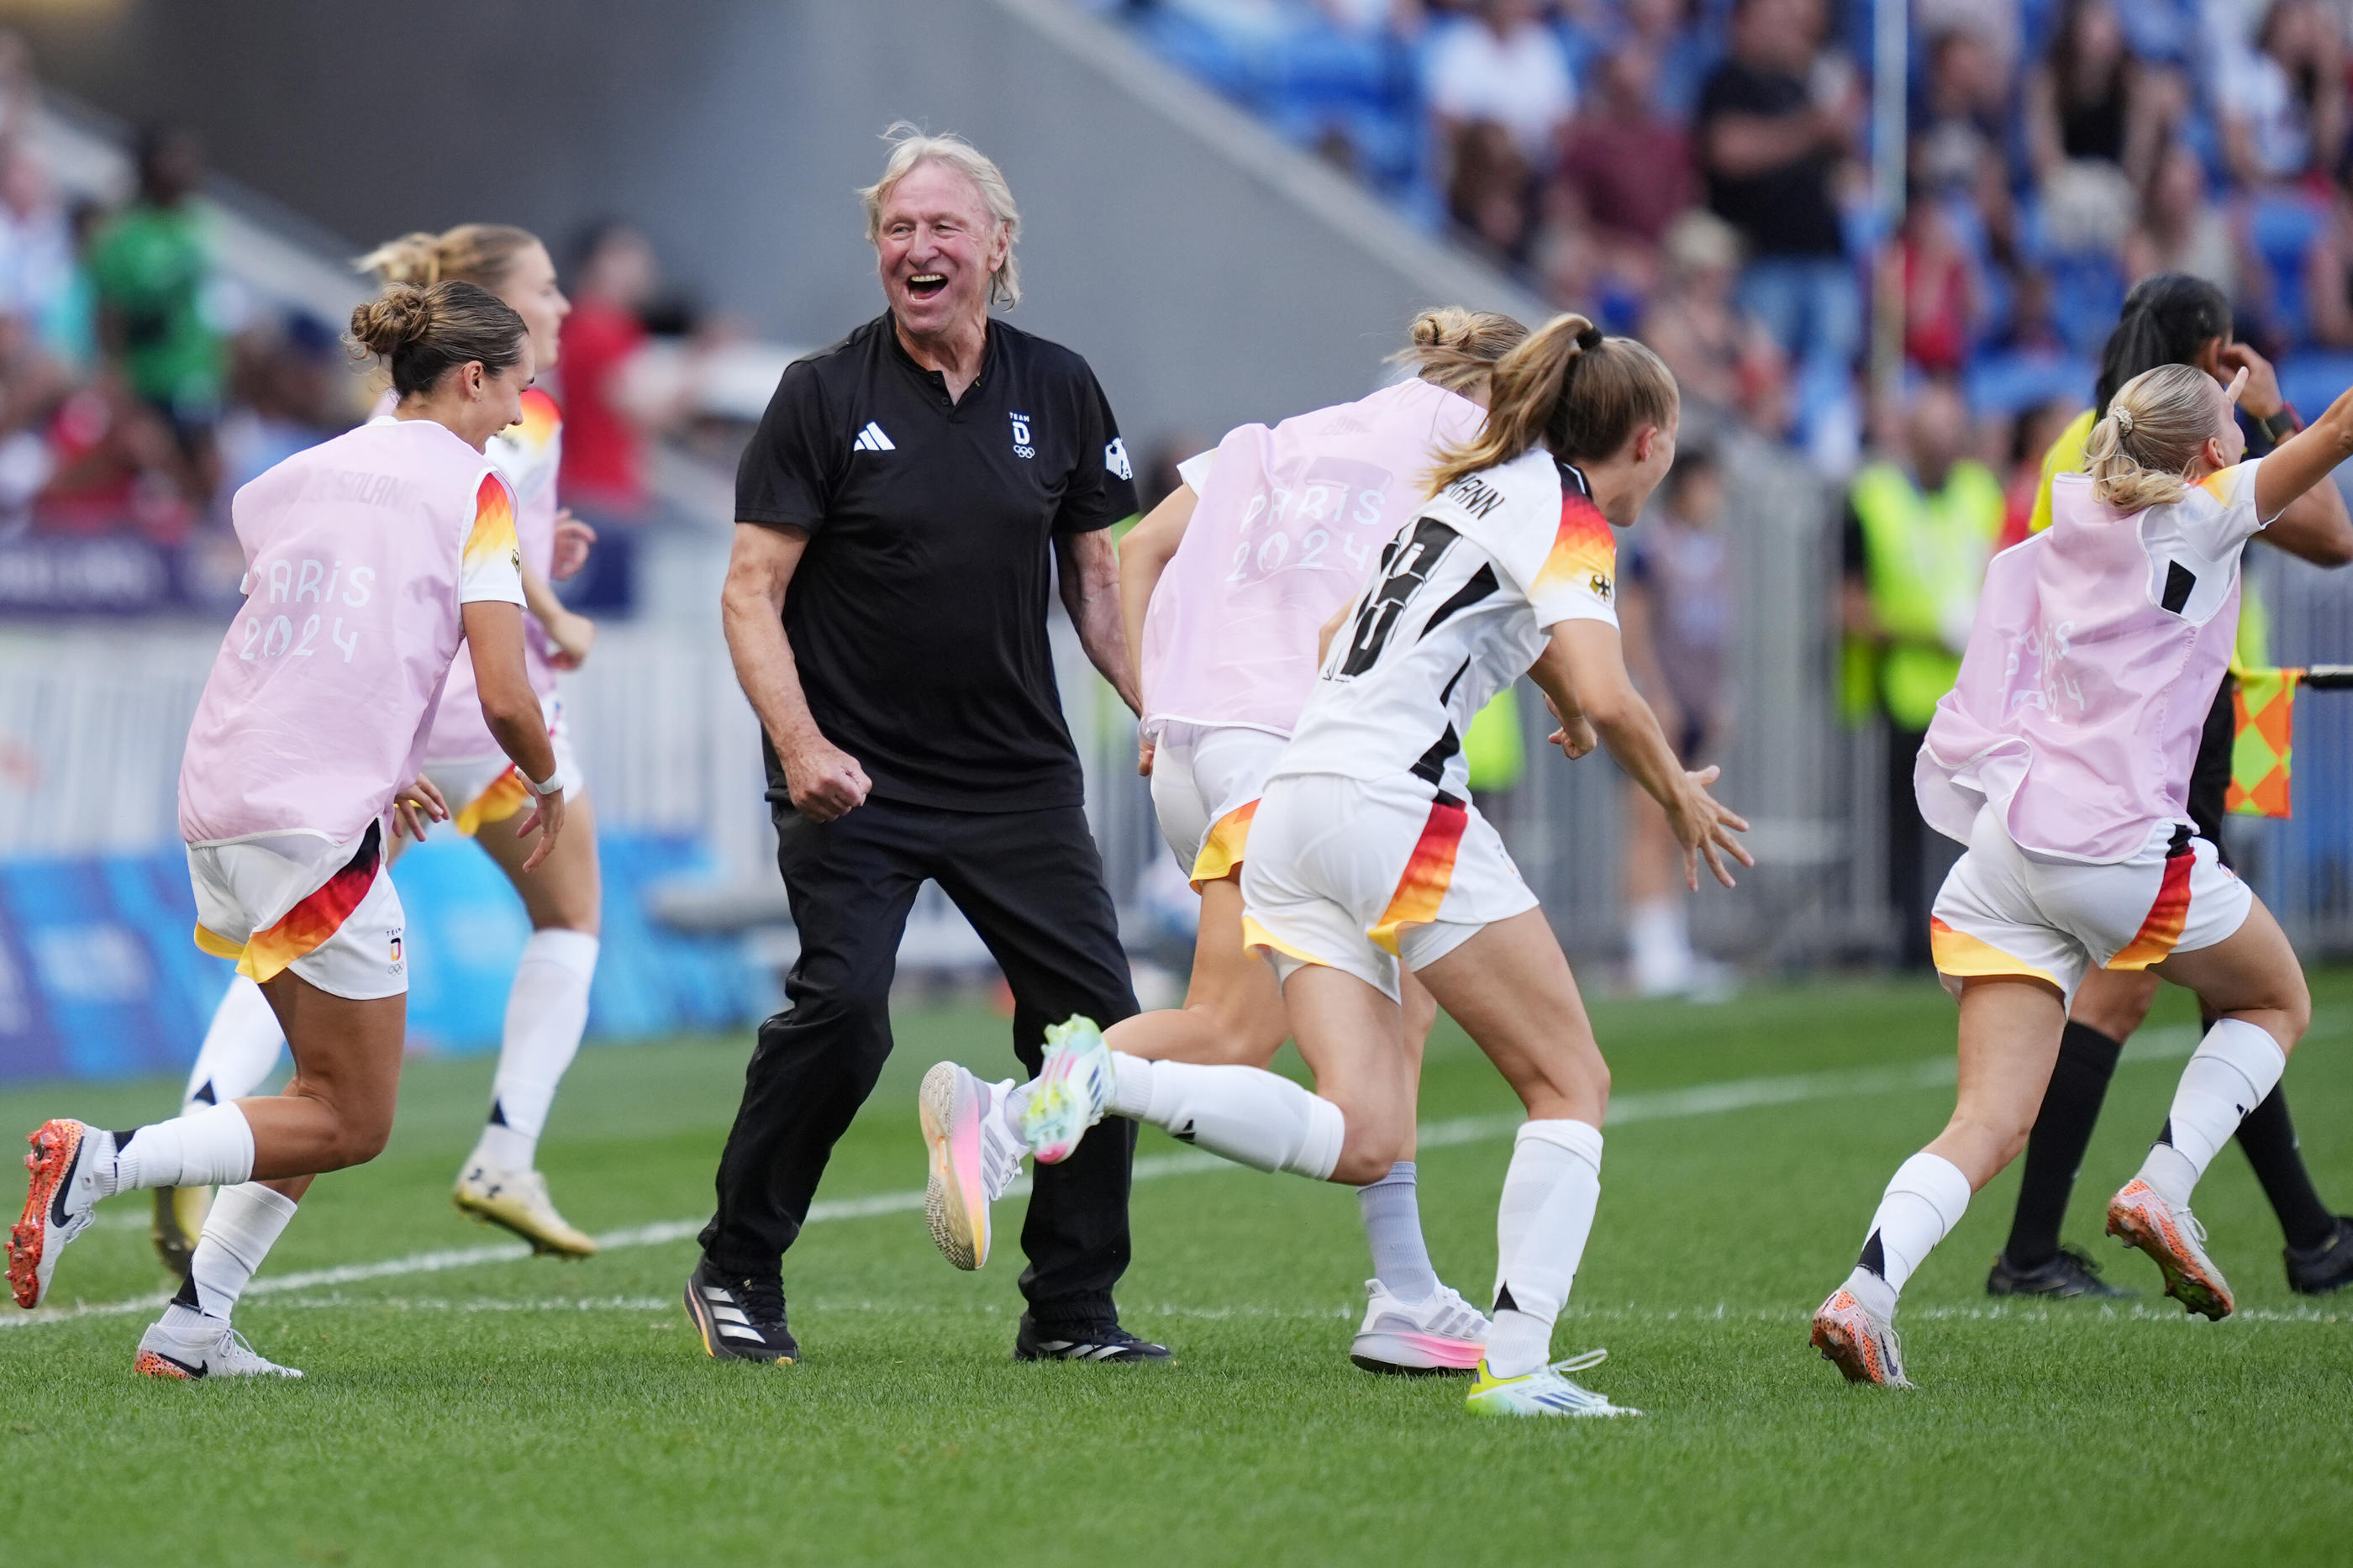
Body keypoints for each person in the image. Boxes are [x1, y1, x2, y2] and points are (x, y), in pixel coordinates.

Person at [925, 315, 1752, 1418]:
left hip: (1299, 797)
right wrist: (1677, 790)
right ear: (1648, 440)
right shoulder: (1564, 507)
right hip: (1390, 806)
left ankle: (1100, 1083)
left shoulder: (1461, 493)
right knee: (1569, 1079)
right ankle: (1516, 1367)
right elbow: (1605, 687)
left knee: (1364, 1130)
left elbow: (1331, 638)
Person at [931, 306, 1526, 1377]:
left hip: (1204, 748)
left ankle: (1404, 1292)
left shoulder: (1275, 439)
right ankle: (1007, 1116)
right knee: (1231, 1028)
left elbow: (1135, 551)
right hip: (1300, 755)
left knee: (1411, 1000)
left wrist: (1160, 708)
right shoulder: (1474, 462)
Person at [8, 280, 566, 1377]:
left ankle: (193, 1328)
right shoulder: (476, 491)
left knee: (313, 1089)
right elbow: (505, 696)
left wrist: (392, 763)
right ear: (470, 378)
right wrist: (543, 780)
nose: (518, 407)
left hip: (224, 791)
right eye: (515, 383)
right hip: (310, 813)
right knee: (355, 1116)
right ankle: (104, 1162)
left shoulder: (290, 478)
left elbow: (331, 632)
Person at [692, 127, 1157, 1366]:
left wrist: (1159, 706)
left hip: (1016, 777)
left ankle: (1072, 1311)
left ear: (999, 247)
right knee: (844, 1014)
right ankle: (736, 1265)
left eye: (944, 227)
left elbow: (1097, 579)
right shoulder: (821, 395)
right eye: (899, 230)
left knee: (1093, 1030)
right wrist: (798, 745)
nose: (918, 248)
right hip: (855, 777)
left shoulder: (1059, 386)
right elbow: (750, 591)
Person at [1812, 362, 2353, 1386]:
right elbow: (2334, 433)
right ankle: (2162, 1183)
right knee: (2276, 1002)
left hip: (2007, 852)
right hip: (2115, 848)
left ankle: (1865, 1294)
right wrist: (2278, 403)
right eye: (2231, 425)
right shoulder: (2204, 515)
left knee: (1986, 1121)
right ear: (2204, 452)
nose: (2240, 436)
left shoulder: (2055, 533)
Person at [153, 224, 606, 1272]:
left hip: (356, 733)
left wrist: (542, 553)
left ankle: (205, 1129)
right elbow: (484, 507)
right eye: (544, 288)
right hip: (463, 714)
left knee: (297, 938)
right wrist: (554, 611)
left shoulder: (374, 427)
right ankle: (506, 1148)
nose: (563, 306)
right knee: (572, 915)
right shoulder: (511, 415)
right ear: (485, 338)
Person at [1988, 273, 2353, 1299]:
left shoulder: (2080, 440)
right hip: (2169, 734)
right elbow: (2331, 535)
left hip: (2131, 723)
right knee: (2174, 982)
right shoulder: (2194, 462)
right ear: (2213, 362)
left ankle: (2309, 1233)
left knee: (2202, 973)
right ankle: (2047, 1243)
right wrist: (2269, 407)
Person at [1839, 381, 2004, 967]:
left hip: (1979, 691)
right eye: (1931, 434)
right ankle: (1914, 941)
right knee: (1907, 829)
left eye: (1950, 434)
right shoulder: (1872, 497)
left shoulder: (1982, 493)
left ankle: (1977, 932)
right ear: (1909, 436)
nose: (1942, 446)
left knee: (1984, 825)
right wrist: (1927, 632)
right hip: (1906, 688)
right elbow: (1849, 607)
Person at [1619, 445, 1732, 997]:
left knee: (1678, 826)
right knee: (1648, 823)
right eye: (1708, 484)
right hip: (1660, 707)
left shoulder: (1713, 552)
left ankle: (1673, 944)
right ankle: (1650, 948)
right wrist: (1654, 693)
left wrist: (1717, 699)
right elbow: (1634, 623)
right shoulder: (1652, 547)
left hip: (1695, 705)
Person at [87, 125, 224, 503]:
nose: (186, 167)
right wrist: (120, 386)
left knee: (209, 469)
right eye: (173, 158)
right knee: (157, 466)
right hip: (147, 380)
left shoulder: (199, 224)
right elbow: (110, 316)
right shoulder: (123, 235)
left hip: (194, 372)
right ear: (149, 166)